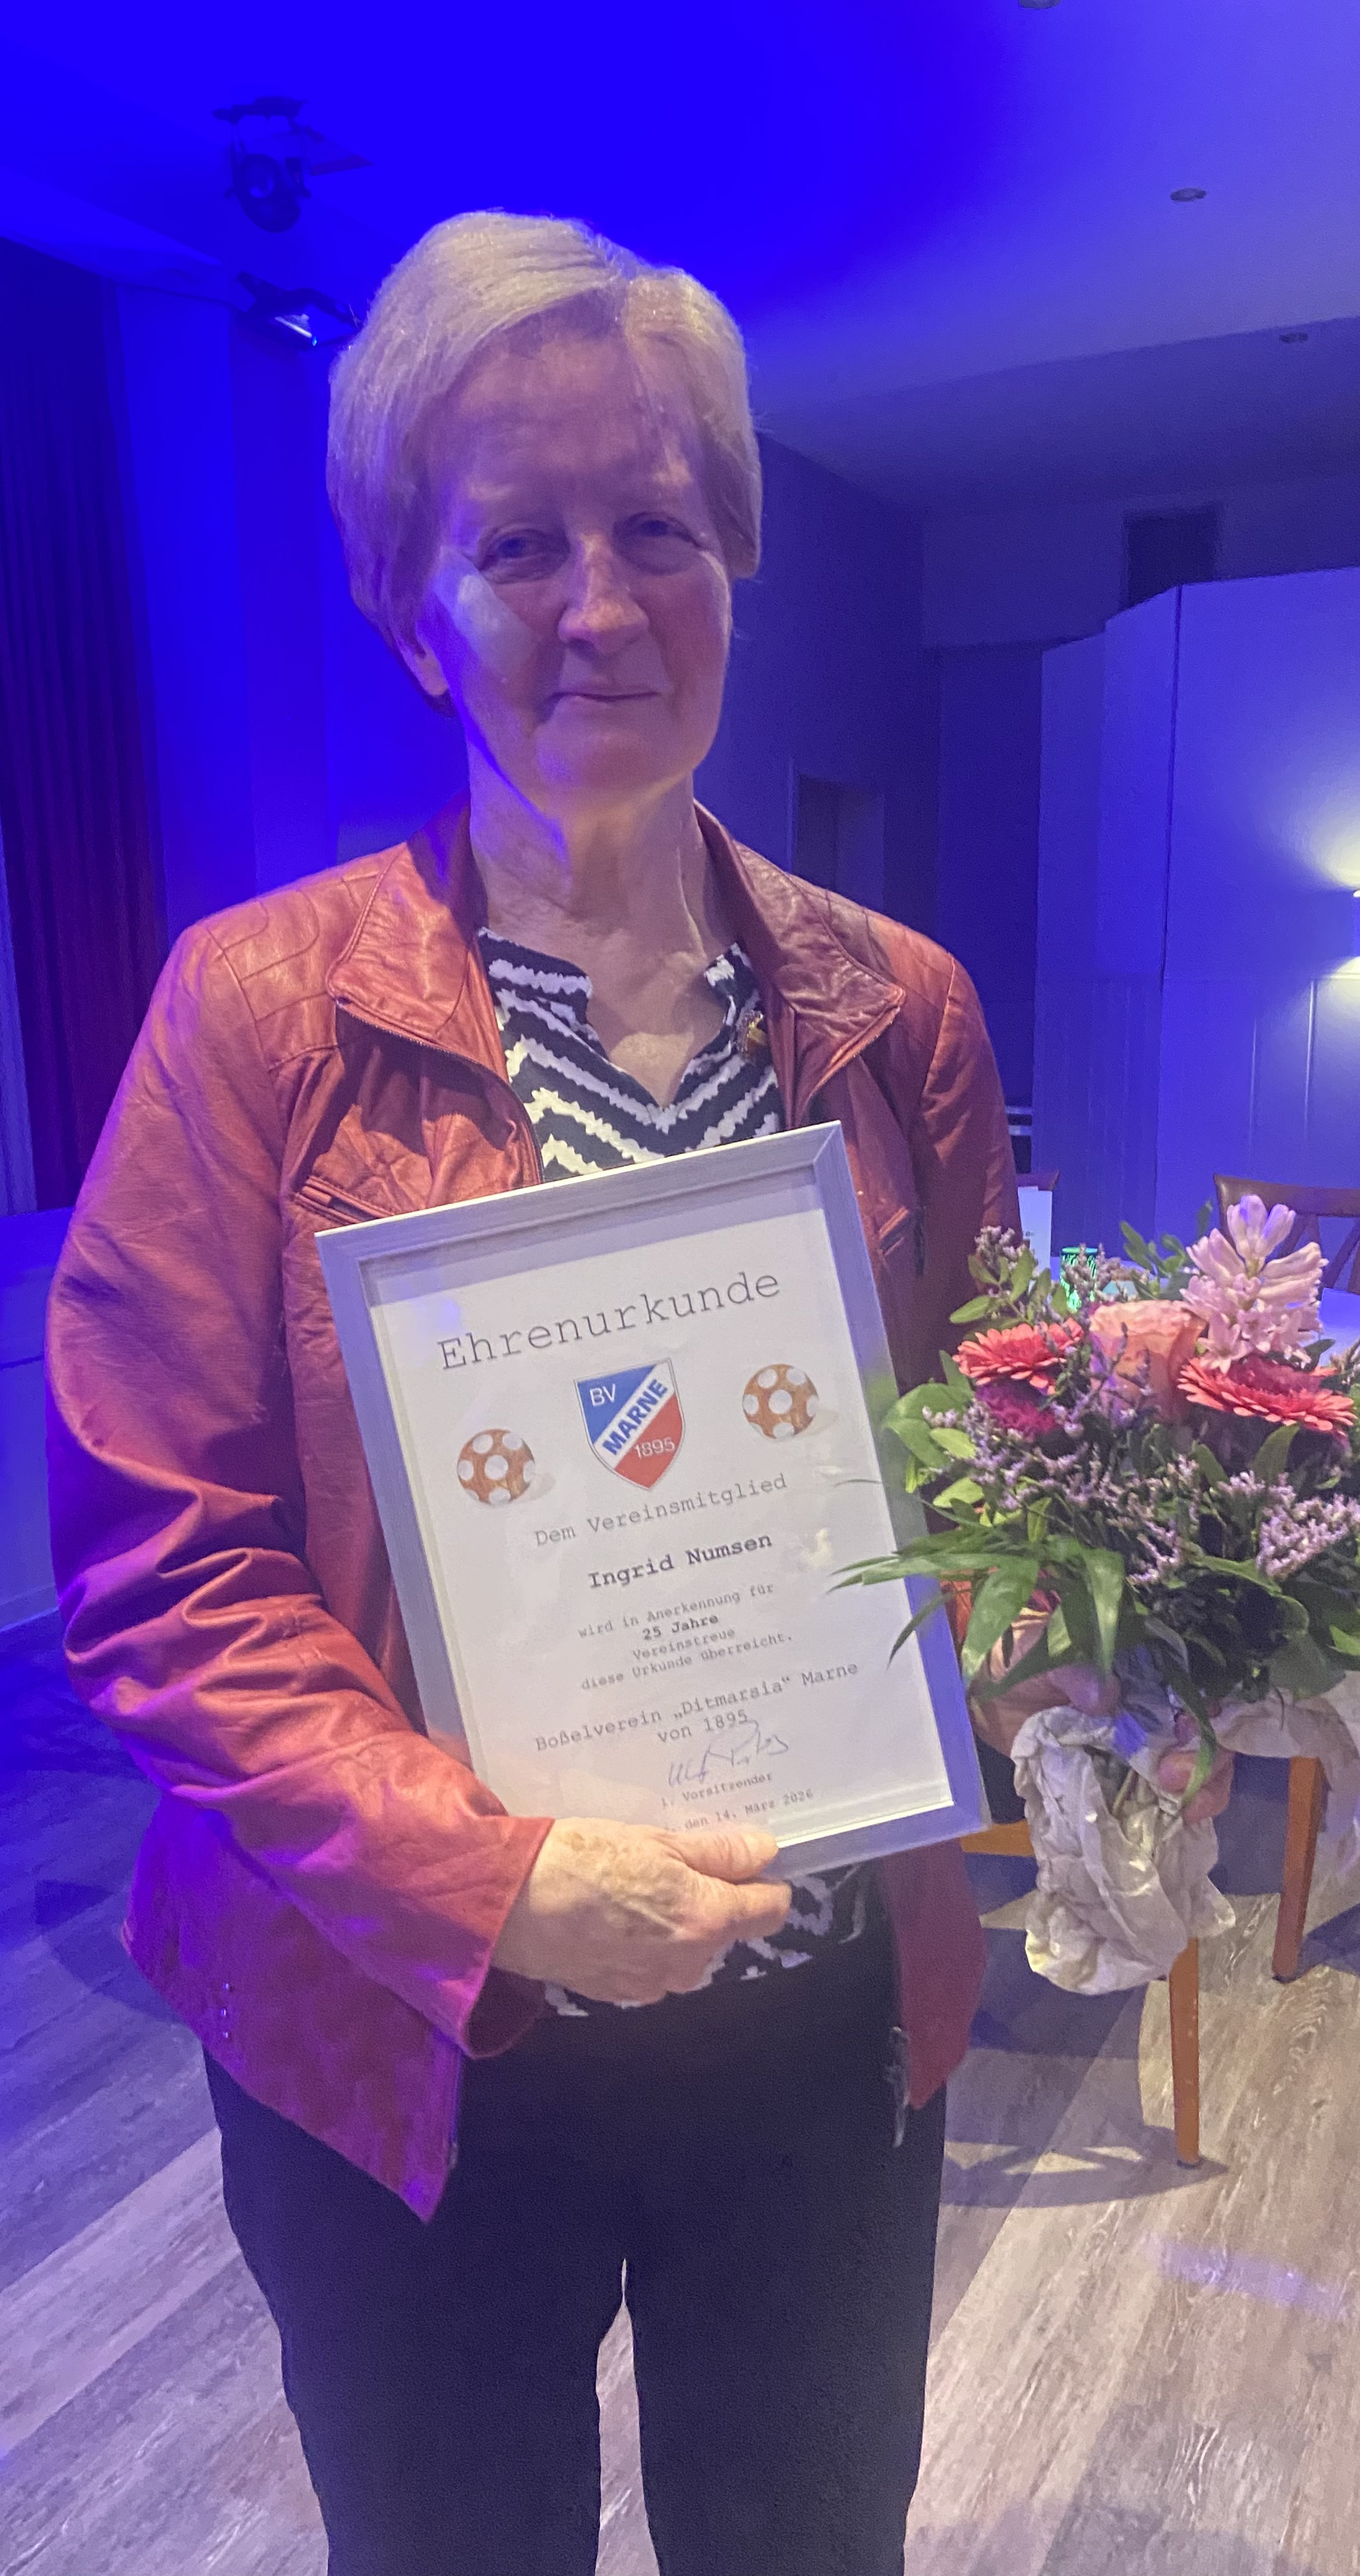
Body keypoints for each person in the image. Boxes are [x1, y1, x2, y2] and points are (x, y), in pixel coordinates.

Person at [45, 211, 1182, 2576]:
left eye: (658, 528)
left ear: (735, 560)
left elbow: (970, 1474)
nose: (599, 606)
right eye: (517, 545)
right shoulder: (253, 1015)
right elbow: (167, 1571)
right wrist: (498, 1883)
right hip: (407, 2024)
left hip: (814, 2011)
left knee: (805, 2540)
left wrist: (1066, 1643)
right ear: (412, 610)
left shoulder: (900, 1009)